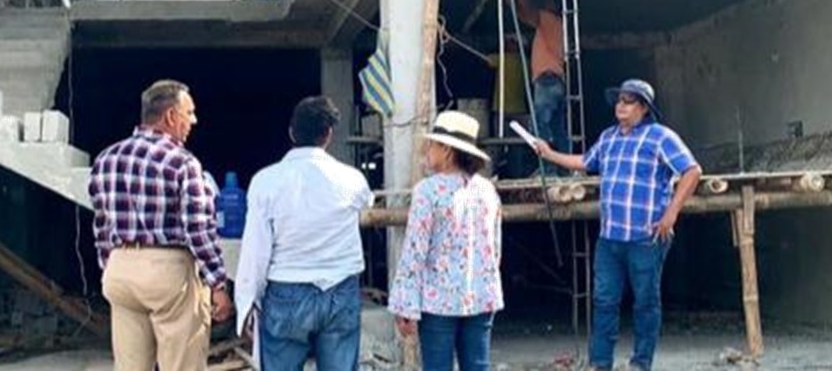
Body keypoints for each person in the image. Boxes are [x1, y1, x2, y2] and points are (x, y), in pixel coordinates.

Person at [532, 79, 702, 371]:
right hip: (610, 238)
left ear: (644, 108)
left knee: (645, 303)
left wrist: (672, 213)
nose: (621, 106)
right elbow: (585, 161)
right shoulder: (608, 137)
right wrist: (549, 153)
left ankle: (641, 363)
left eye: (628, 101)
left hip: (646, 237)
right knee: (604, 301)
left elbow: (692, 171)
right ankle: (601, 364)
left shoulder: (660, 136)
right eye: (619, 100)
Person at [88, 79, 233, 371]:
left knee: (130, 366)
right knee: (182, 364)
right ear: (170, 116)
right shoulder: (183, 162)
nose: (194, 120)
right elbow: (198, 229)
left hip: (120, 269)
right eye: (189, 113)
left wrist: (110, 265)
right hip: (168, 273)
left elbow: (102, 224)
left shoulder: (106, 159)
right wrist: (217, 283)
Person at [235, 96, 374, 370]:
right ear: (328, 134)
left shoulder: (265, 181)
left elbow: (256, 250)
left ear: (291, 132)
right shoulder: (353, 179)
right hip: (340, 290)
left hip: (286, 291)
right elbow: (367, 202)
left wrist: (248, 301)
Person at [389, 111, 504, 371]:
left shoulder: (428, 191)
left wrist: (405, 304)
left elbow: (415, 251)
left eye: (432, 144)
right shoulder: (487, 190)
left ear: (447, 151)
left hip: (438, 300)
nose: (427, 150)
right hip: (480, 295)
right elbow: (494, 248)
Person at [512, 0, 569, 160]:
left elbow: (528, 8)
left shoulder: (548, 19)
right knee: (557, 129)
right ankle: (565, 168)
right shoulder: (556, 24)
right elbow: (523, 15)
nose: (544, 3)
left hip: (546, 81)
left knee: (539, 127)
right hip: (556, 80)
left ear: (554, 5)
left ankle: (548, 167)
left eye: (547, 1)